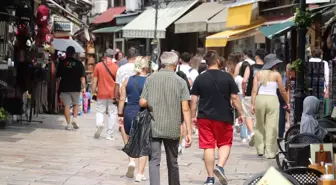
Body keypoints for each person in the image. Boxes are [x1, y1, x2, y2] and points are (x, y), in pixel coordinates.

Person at [139, 51, 193, 185]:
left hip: (154, 125)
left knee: (154, 161)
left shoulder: (150, 79)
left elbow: (142, 101)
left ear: (162, 63)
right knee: (173, 161)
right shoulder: (180, 82)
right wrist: (189, 131)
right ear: (175, 64)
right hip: (173, 126)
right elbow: (185, 108)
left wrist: (151, 102)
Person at [191, 50, 243, 185]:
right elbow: (234, 97)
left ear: (206, 63)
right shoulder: (227, 77)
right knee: (225, 143)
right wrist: (241, 113)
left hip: (204, 116)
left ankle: (210, 178)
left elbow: (194, 99)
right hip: (224, 116)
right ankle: (219, 166)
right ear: (218, 61)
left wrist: (192, 116)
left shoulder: (200, 78)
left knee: (208, 146)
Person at [251, 54, 289, 159]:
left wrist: (252, 104)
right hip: (272, 99)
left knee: (259, 125)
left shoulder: (258, 74)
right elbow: (282, 90)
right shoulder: (276, 75)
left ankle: (260, 149)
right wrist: (287, 102)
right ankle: (270, 152)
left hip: (260, 99)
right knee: (271, 126)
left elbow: (254, 91)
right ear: (274, 64)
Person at [118, 56, 149, 181]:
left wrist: (120, 114)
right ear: (146, 66)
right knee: (143, 144)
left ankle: (131, 161)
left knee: (128, 137)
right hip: (143, 113)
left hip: (129, 112)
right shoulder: (149, 81)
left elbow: (121, 99)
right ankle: (140, 174)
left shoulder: (127, 80)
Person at [115, 47, 138, 175]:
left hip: (125, 101)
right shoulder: (139, 69)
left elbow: (118, 86)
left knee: (124, 125)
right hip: (138, 101)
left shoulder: (121, 69)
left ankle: (130, 155)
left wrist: (117, 99)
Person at [92, 49, 119, 140]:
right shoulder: (116, 67)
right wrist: (117, 95)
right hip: (112, 94)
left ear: (104, 56)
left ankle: (99, 124)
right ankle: (109, 134)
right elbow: (117, 83)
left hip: (101, 93)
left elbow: (94, 80)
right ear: (113, 56)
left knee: (100, 111)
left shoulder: (98, 66)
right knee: (112, 113)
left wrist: (93, 91)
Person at [56, 46, 85, 130]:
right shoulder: (79, 63)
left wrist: (58, 87)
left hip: (64, 87)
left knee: (66, 105)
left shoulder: (62, 63)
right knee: (76, 104)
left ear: (66, 53)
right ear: (74, 53)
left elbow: (58, 77)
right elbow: (82, 77)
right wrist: (83, 87)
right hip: (76, 87)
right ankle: (75, 118)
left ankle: (68, 124)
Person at [242, 49, 266, 146]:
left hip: (250, 94)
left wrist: (243, 91)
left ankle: (252, 133)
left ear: (256, 57)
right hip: (263, 94)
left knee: (248, 115)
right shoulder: (267, 68)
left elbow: (244, 81)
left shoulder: (250, 67)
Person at [235, 61, 251, 143]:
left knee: (241, 115)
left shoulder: (237, 78)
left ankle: (243, 135)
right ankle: (248, 133)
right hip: (247, 96)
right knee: (248, 115)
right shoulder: (250, 77)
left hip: (239, 97)